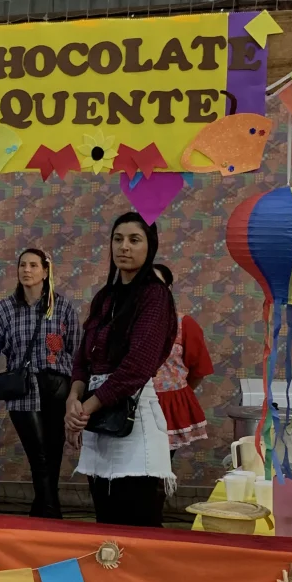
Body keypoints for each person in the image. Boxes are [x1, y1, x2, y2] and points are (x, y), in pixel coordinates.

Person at [66, 213, 178, 527]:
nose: (124, 247)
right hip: (98, 417)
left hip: (133, 416)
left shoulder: (155, 296)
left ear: (150, 246)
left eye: (134, 239)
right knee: (105, 519)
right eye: (118, 239)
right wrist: (72, 400)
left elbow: (136, 368)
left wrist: (85, 409)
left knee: (137, 522)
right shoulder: (105, 297)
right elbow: (83, 358)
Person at [0, 249, 80, 518]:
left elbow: (77, 354)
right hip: (23, 392)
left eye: (34, 265)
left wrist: (78, 397)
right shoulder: (5, 309)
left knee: (53, 457)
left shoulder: (62, 307)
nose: (27, 270)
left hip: (57, 390)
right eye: (22, 265)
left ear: (45, 272)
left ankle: (42, 516)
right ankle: (52, 517)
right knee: (39, 457)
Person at [151, 264, 214, 449]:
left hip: (169, 407)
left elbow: (198, 370)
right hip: (132, 405)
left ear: (169, 288)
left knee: (162, 462)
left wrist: (176, 390)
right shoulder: (126, 324)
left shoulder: (184, 324)